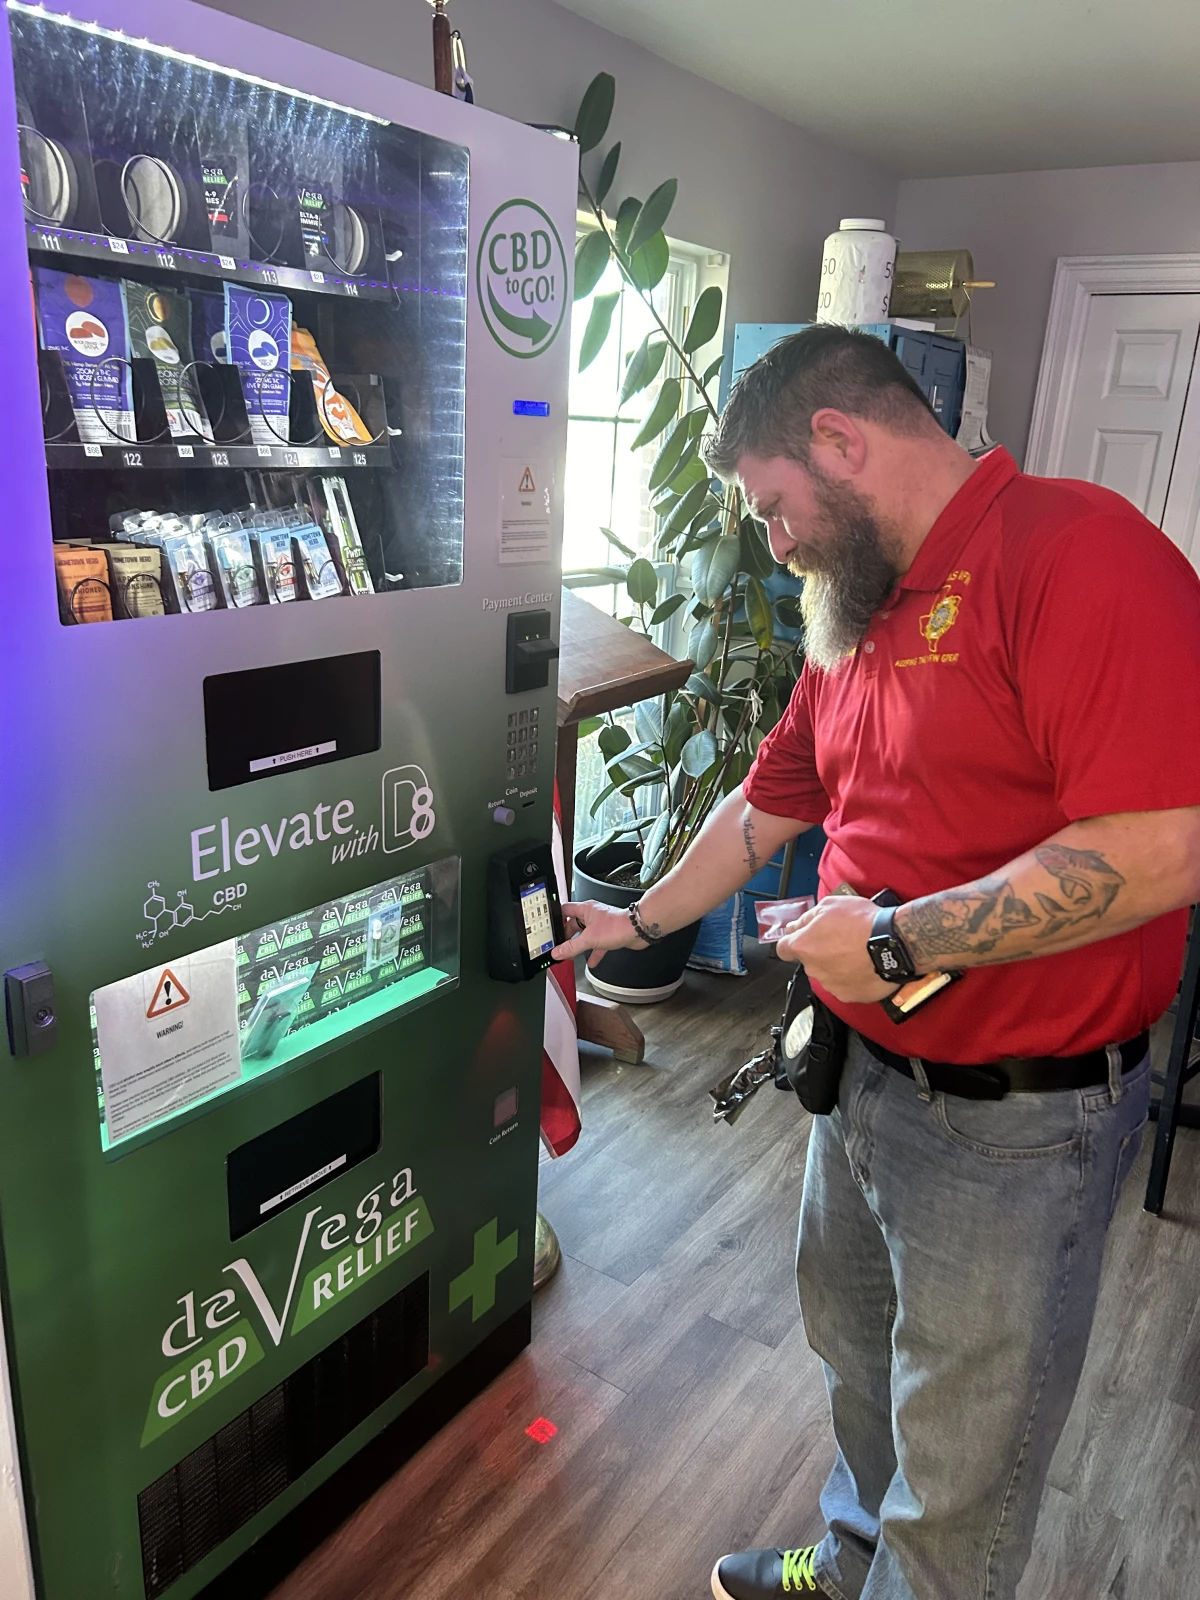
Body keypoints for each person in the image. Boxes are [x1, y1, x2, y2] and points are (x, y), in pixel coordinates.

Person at [550, 324, 1200, 1600]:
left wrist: (896, 940)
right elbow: (768, 803)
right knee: (857, 1360)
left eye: (772, 506)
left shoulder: (1080, 553)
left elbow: (1165, 846)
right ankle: (852, 1564)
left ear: (840, 442)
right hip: (855, 1077)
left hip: (1020, 1125)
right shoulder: (855, 614)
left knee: (963, 1470)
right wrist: (639, 920)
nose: (772, 541)